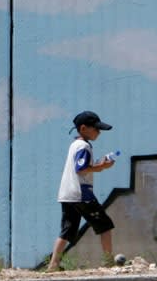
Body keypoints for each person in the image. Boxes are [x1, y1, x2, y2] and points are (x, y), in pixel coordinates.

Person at [47, 110, 117, 270]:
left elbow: (80, 166)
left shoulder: (74, 145)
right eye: (96, 128)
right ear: (83, 128)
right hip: (81, 194)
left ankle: (53, 264)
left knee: (67, 231)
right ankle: (109, 262)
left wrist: (98, 165)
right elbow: (81, 168)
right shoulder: (84, 146)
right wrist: (102, 167)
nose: (99, 132)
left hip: (67, 194)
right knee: (105, 225)